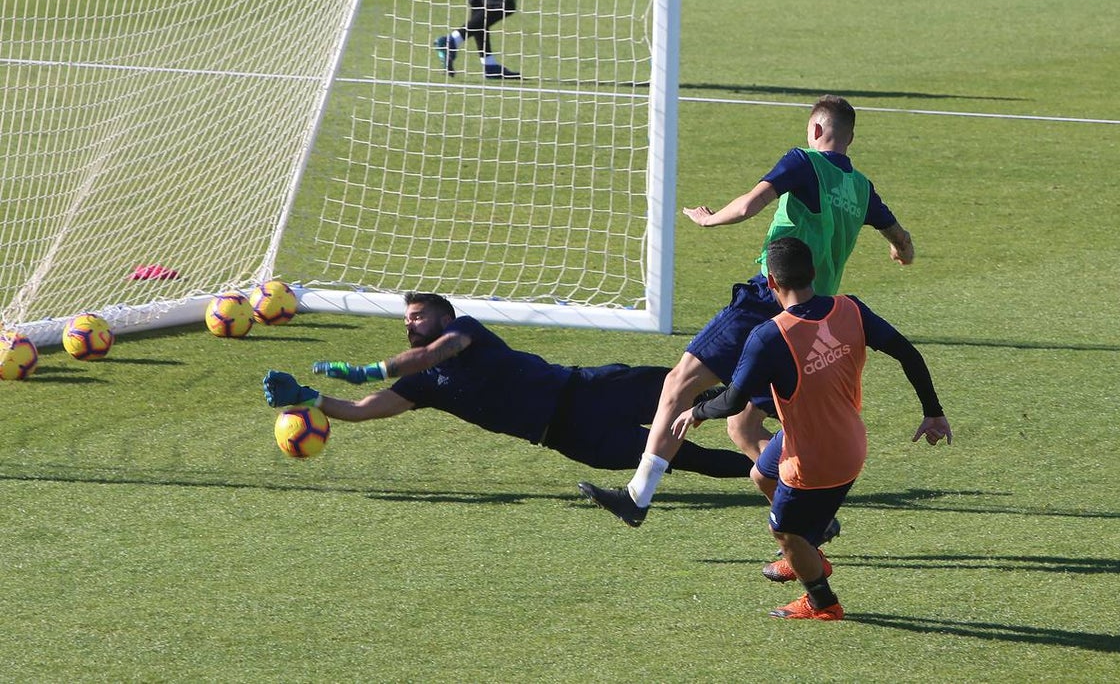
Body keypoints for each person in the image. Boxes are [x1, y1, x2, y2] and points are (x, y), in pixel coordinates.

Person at [579, 94, 916, 526]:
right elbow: (901, 237)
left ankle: (637, 496)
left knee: (678, 383)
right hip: (813, 318)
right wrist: (902, 251)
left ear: (816, 130)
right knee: (742, 426)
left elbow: (749, 205)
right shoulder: (862, 189)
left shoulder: (803, 161)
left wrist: (708, 219)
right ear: (850, 138)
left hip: (768, 299)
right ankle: (810, 516)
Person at [670, 237, 951, 620]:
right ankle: (808, 553)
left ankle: (822, 602)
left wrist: (697, 412)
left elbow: (734, 400)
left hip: (815, 460)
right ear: (814, 273)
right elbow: (908, 352)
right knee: (761, 474)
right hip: (845, 438)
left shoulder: (770, 336)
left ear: (771, 283)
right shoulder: (850, 308)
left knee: (785, 534)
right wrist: (933, 412)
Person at [262, 292, 752, 477]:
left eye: (418, 316)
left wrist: (368, 368)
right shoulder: (422, 386)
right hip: (571, 437)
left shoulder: (465, 333)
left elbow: (434, 352)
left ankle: (784, 407)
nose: (410, 325)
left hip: (589, 388)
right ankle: (776, 473)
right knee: (685, 457)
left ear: (446, 316)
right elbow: (363, 409)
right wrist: (308, 398)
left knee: (700, 393)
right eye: (406, 320)